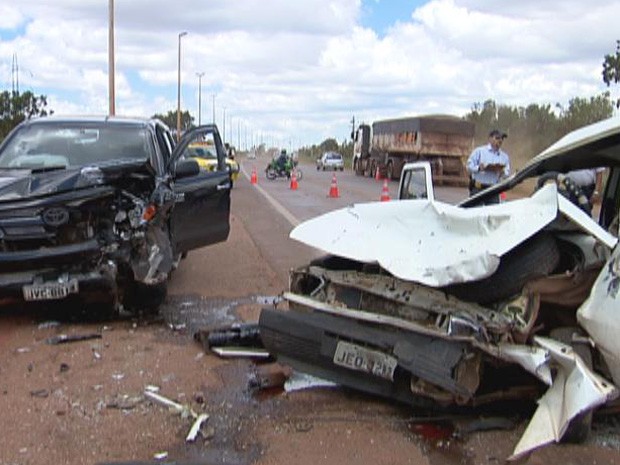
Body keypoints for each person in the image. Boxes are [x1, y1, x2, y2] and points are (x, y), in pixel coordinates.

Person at [466, 129, 511, 204]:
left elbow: (507, 173)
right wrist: (479, 168)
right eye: (497, 138)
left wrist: (502, 172)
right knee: (475, 213)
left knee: (492, 214)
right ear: (490, 139)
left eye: (502, 139)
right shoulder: (479, 151)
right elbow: (469, 166)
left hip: (493, 191)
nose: (500, 140)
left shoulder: (504, 157)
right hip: (478, 189)